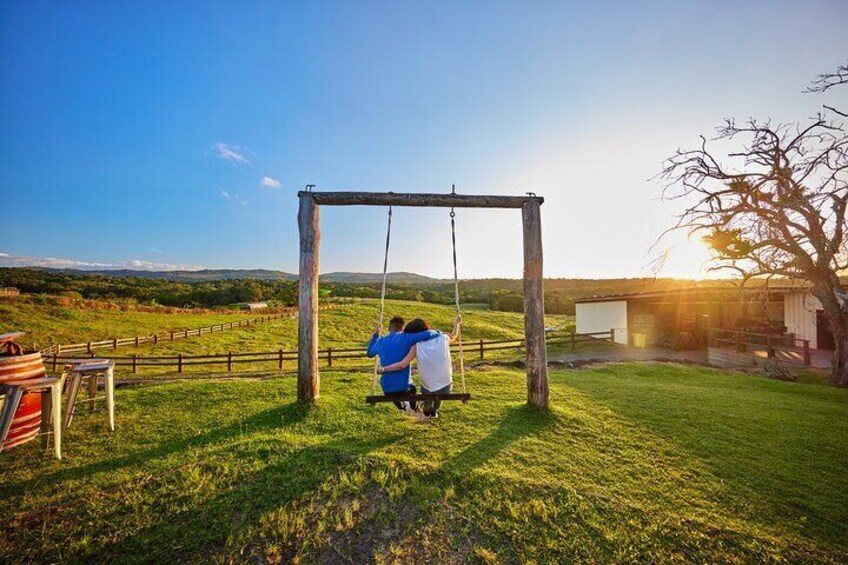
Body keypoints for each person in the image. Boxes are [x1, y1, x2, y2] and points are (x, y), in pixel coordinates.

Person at [378, 316, 460, 418]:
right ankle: (434, 410)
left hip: (427, 387)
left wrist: (384, 369)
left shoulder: (416, 345)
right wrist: (456, 324)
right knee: (440, 392)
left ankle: (426, 410)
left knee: (428, 391)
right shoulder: (443, 338)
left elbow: (402, 364)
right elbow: (454, 335)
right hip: (446, 386)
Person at [366, 316, 440, 412]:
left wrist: (375, 335)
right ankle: (414, 407)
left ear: (389, 328)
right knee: (413, 389)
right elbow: (429, 334)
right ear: (403, 328)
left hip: (387, 390)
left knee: (393, 392)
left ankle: (402, 407)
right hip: (404, 389)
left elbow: (369, 353)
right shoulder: (406, 337)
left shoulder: (381, 341)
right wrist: (438, 332)